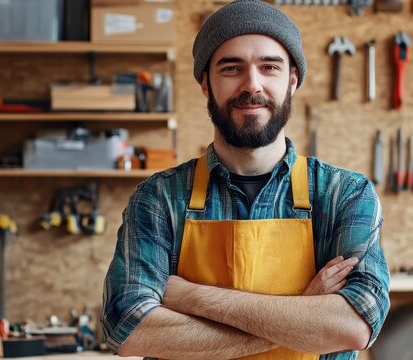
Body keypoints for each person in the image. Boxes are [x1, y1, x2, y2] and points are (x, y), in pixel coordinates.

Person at [102, 0, 390, 359]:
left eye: (269, 67)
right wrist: (304, 313)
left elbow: (353, 325)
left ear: (292, 81)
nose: (251, 85)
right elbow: (129, 329)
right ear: (206, 84)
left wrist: (193, 298)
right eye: (231, 68)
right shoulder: (159, 198)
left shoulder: (342, 194)